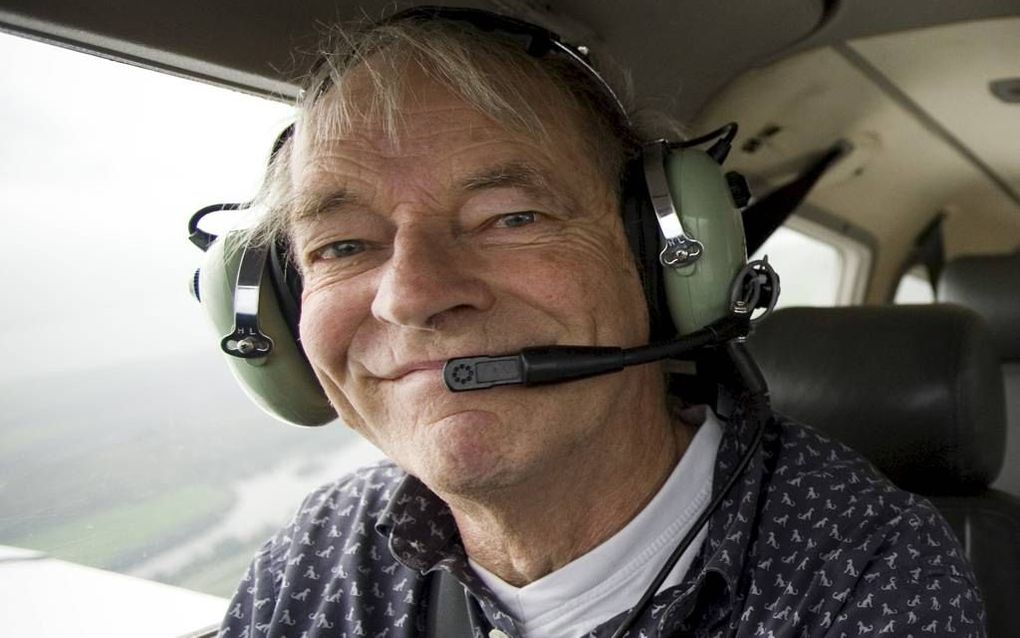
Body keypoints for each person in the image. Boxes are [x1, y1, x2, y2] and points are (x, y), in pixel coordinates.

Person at [216, 7, 985, 637]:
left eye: (510, 217)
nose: (412, 295)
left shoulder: (861, 570)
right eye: (343, 245)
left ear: (665, 265)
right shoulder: (318, 555)